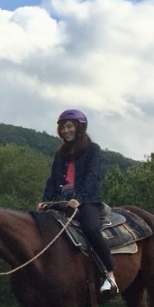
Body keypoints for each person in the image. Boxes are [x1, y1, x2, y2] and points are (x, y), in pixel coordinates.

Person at [37, 109, 118, 295]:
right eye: (62, 127)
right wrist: (45, 201)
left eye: (69, 126)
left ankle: (109, 275)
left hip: (87, 200)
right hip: (60, 201)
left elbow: (92, 176)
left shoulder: (93, 150)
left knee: (90, 228)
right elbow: (52, 179)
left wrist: (79, 199)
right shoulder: (60, 154)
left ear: (79, 128)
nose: (65, 131)